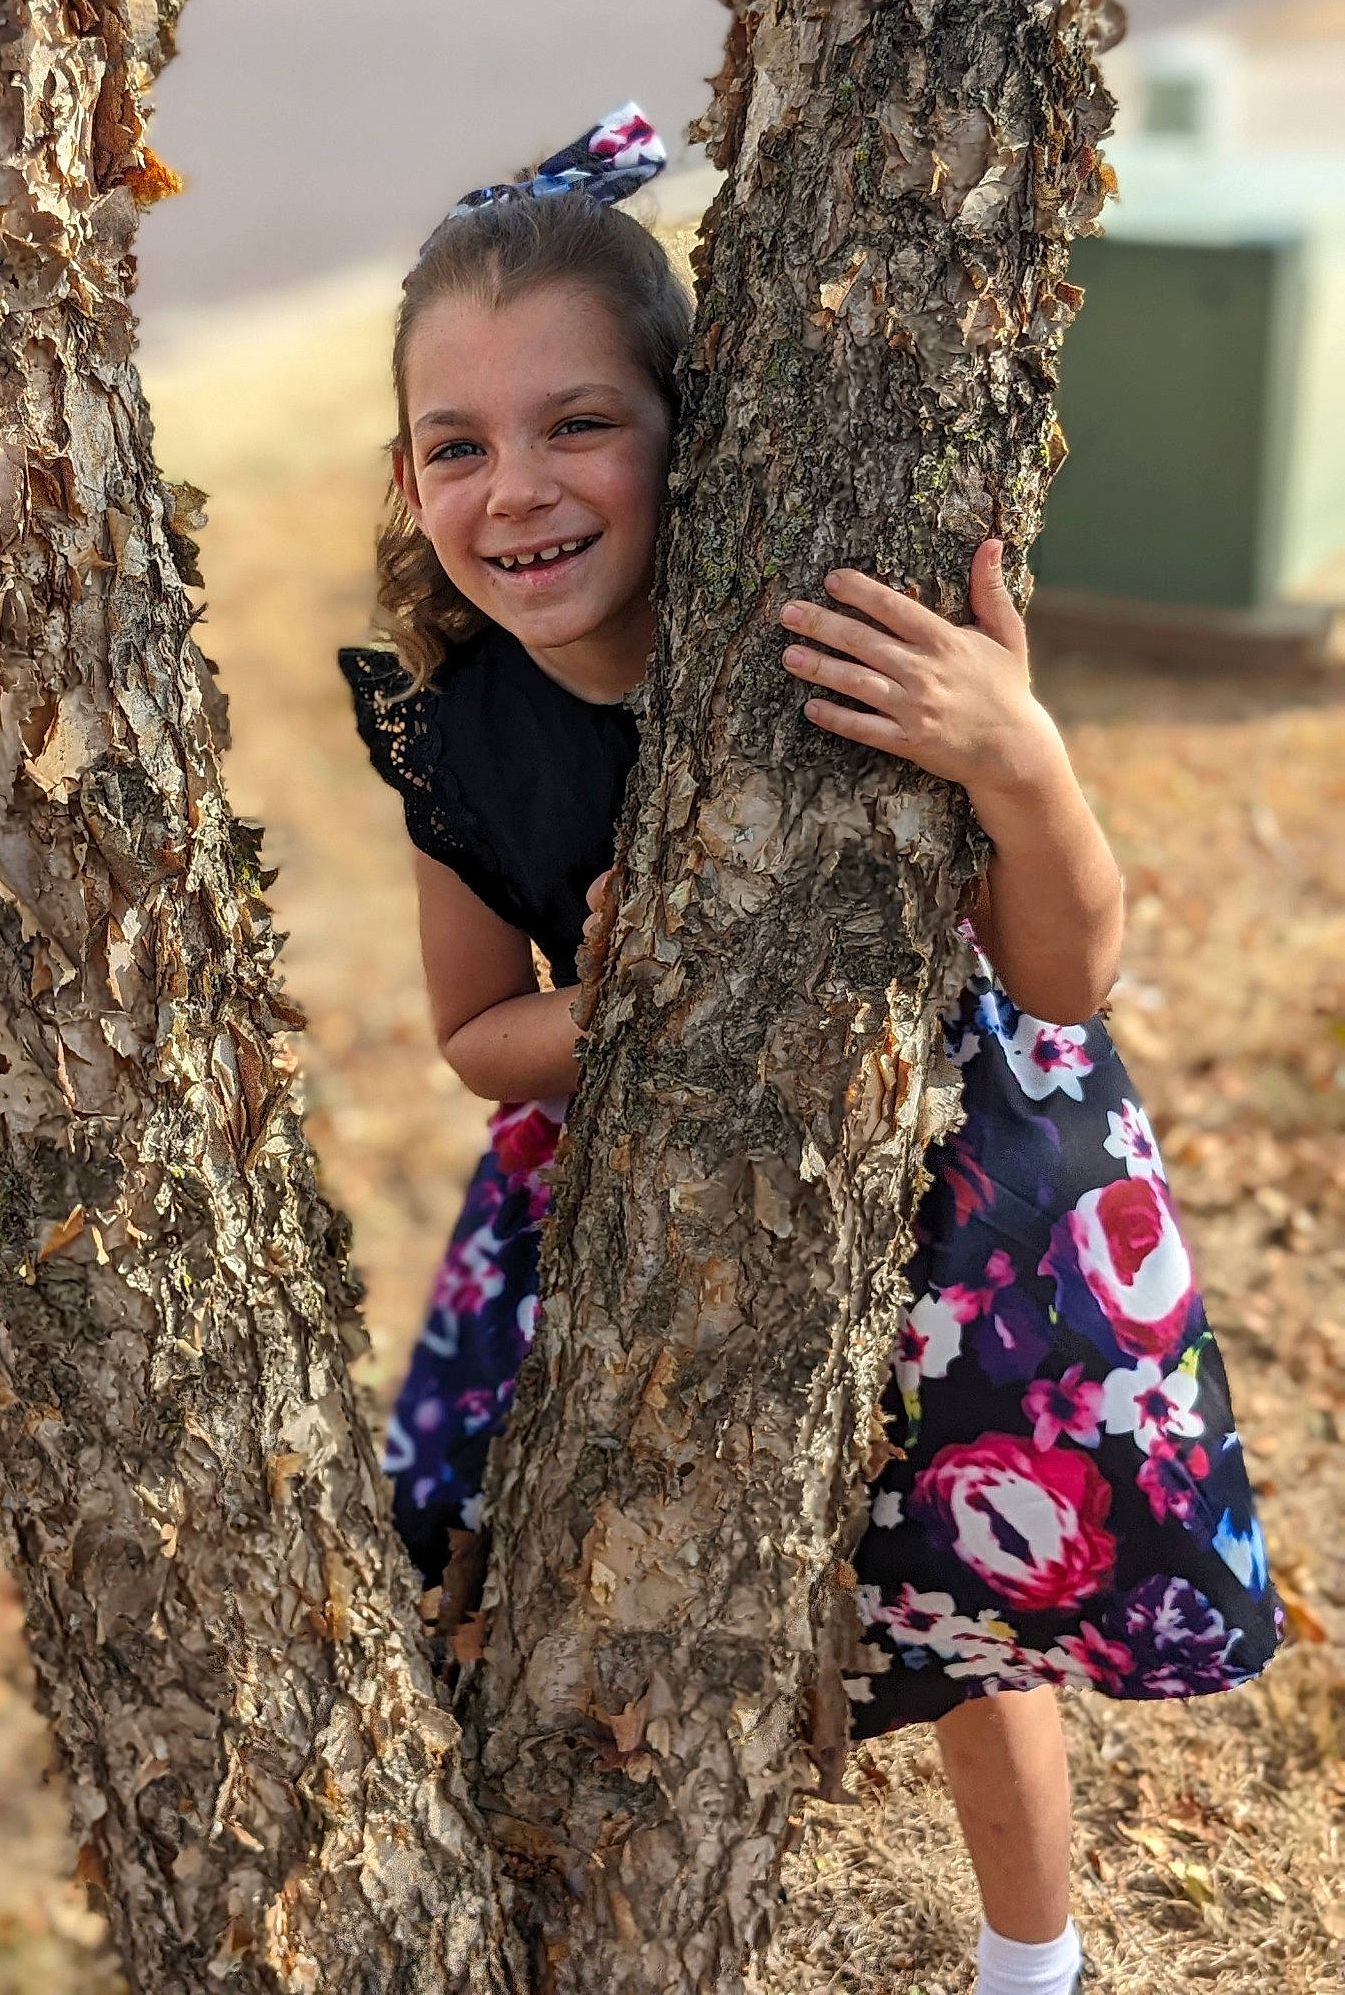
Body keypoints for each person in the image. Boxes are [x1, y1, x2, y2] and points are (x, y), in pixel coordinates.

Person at [339, 106, 1281, 1995]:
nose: (514, 490)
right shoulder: (456, 731)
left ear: (693, 430)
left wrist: (1021, 760)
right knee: (550, 1563)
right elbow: (475, 1034)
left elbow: (1066, 976)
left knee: (971, 1602)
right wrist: (630, 1004)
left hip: (947, 1170)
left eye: (578, 423)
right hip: (634, 1203)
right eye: (457, 445)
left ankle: (1034, 1960)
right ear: (409, 475)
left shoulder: (832, 644)